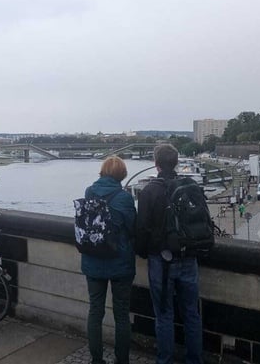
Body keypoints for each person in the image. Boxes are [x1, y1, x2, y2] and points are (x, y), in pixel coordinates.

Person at [135, 144, 203, 364]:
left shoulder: (149, 191)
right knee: (192, 314)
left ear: (156, 163)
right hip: (189, 257)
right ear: (176, 162)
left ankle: (165, 361)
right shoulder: (191, 186)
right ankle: (195, 360)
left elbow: (142, 229)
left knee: (164, 315)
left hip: (161, 261)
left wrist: (142, 252)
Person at [81, 156, 136, 364]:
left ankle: (96, 360)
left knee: (95, 312)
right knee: (121, 315)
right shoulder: (124, 198)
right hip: (120, 264)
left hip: (93, 261)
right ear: (122, 175)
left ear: (102, 172)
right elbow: (133, 228)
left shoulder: (89, 192)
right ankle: (122, 360)